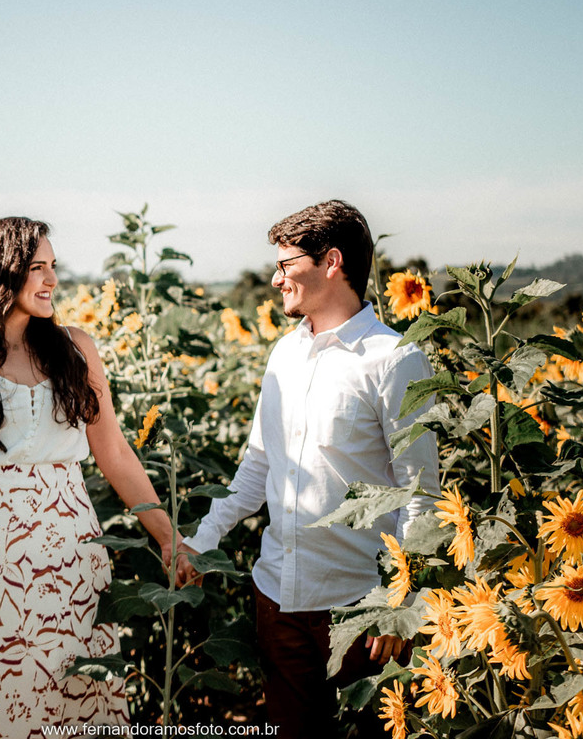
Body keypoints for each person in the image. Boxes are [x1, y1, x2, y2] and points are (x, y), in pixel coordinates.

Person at [0, 217, 188, 738]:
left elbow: (115, 453)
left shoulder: (75, 349)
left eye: (53, 267)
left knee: (67, 690)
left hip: (67, 559)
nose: (52, 279)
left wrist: (168, 538)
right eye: (37, 268)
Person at [177, 200, 440, 737]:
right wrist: (202, 538)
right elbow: (259, 465)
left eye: (286, 264)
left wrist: (399, 603)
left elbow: (422, 492)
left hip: (362, 609)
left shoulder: (393, 359)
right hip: (279, 599)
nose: (276, 279)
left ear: (332, 262)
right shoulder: (283, 356)